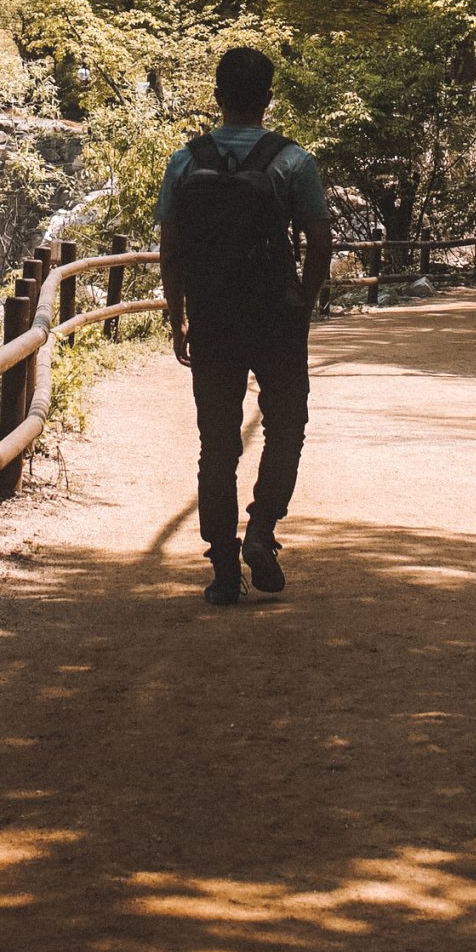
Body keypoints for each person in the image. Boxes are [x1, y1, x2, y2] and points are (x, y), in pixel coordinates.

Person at [158, 46, 333, 606]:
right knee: (287, 426)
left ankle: (222, 566)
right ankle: (261, 530)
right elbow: (320, 239)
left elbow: (172, 250)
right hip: (276, 316)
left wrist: (178, 315)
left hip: (214, 317)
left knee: (217, 443)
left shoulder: (186, 161)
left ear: (218, 95)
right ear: (267, 99)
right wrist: (303, 302)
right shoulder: (293, 162)